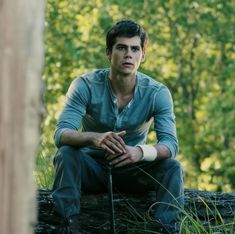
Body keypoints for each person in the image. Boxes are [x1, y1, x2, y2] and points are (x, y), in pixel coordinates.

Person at [52, 19, 184, 234]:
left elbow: (170, 144)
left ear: (143, 55)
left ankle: (166, 229)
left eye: (135, 49)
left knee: (172, 167)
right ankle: (67, 225)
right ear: (108, 53)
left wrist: (140, 152)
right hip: (91, 168)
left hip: (133, 169)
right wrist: (95, 138)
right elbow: (61, 134)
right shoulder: (85, 85)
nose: (128, 55)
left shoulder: (157, 93)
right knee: (66, 154)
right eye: (121, 48)